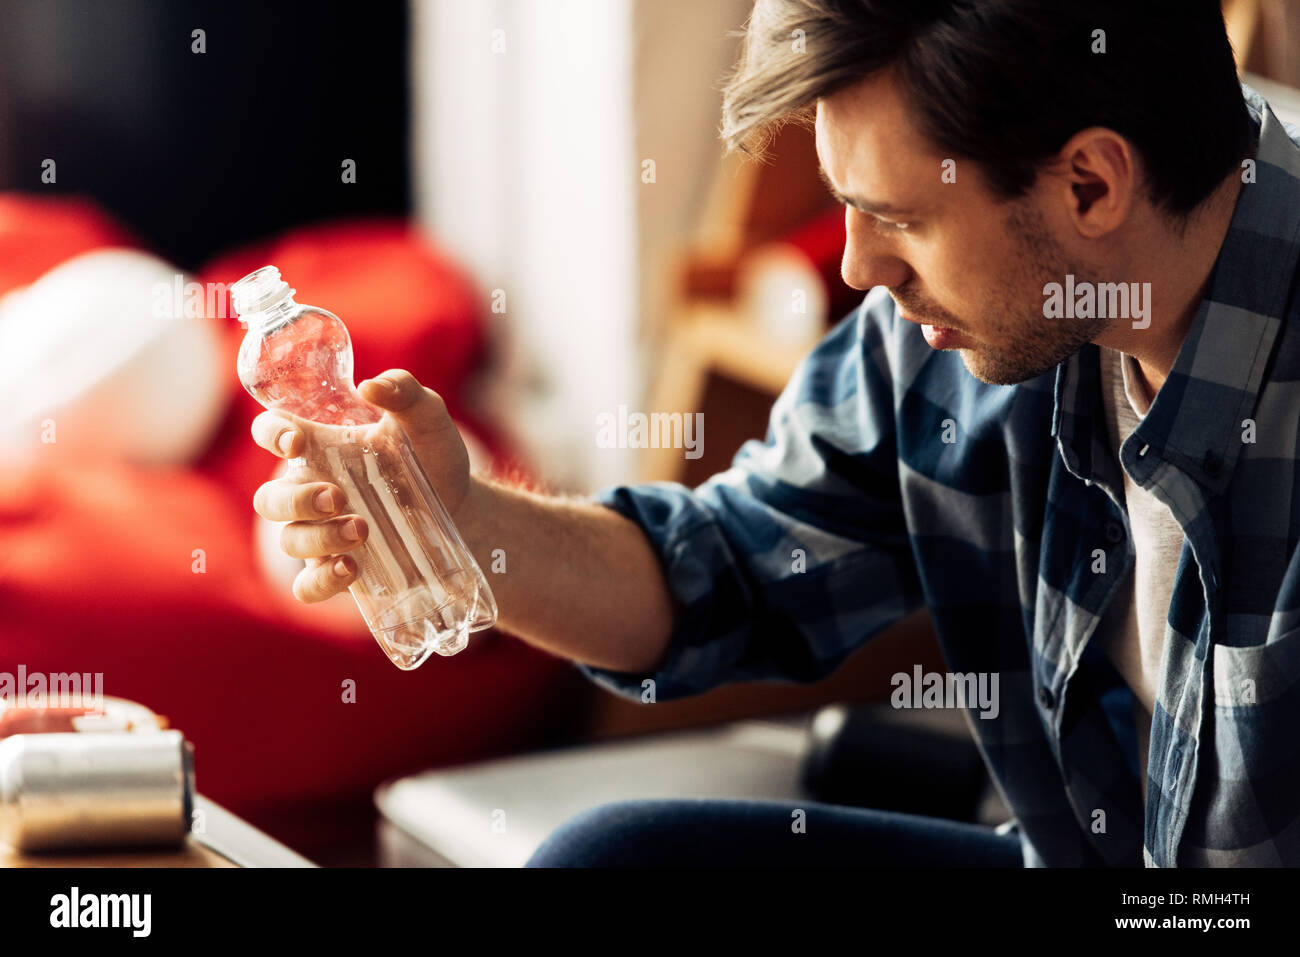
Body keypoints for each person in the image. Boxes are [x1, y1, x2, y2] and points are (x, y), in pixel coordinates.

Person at [249, 0, 1300, 867]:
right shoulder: (950, 341)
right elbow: (720, 575)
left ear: (1089, 185)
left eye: (897, 218)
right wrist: (464, 517)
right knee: (612, 862)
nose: (854, 269)